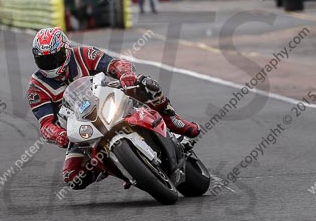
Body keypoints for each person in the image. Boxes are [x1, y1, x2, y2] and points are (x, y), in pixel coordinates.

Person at [26, 27, 200, 190]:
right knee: (73, 178)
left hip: (109, 98)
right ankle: (110, 167)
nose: (51, 65)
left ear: (66, 51)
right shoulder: (36, 88)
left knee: (147, 84)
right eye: (44, 60)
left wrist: (125, 74)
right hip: (82, 129)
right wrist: (58, 135)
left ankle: (173, 120)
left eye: (54, 58)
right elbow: (46, 124)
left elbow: (114, 64)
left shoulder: (83, 53)